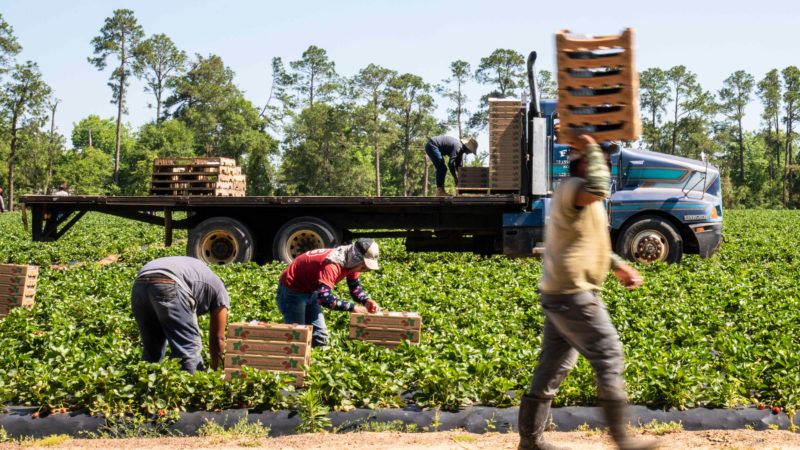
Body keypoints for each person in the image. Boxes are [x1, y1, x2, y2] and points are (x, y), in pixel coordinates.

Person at [518, 135, 657, 450]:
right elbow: (597, 187)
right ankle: (623, 441)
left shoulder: (587, 199)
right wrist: (592, 145)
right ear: (584, 163)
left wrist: (619, 265)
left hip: (562, 292)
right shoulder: (575, 190)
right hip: (573, 293)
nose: (606, 166)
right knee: (607, 353)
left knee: (554, 364)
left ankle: (531, 442)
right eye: (600, 160)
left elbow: (590, 241)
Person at [131, 256, 229, 374]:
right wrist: (215, 370)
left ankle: (144, 387)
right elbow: (218, 338)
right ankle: (190, 388)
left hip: (140, 283)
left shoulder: (201, 273)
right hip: (169, 282)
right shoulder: (221, 291)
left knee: (152, 350)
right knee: (188, 349)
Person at [277, 238, 381, 347]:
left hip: (312, 290)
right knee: (297, 336)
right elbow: (325, 299)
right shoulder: (332, 265)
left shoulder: (351, 263)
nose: (364, 269)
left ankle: (314, 361)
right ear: (356, 258)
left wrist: (366, 300)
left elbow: (354, 287)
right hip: (292, 291)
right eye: (364, 266)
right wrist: (353, 307)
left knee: (320, 335)